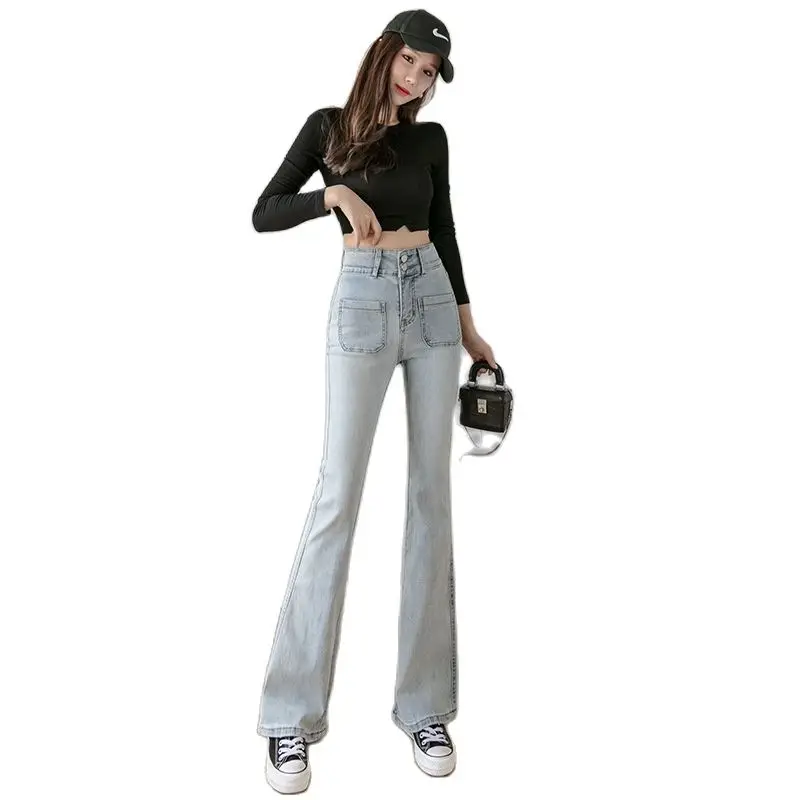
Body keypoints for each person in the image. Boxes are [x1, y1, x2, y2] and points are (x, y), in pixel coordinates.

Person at [251, 9, 497, 793]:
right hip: (362, 300)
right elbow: (263, 212)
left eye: (429, 73)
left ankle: (425, 706)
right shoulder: (328, 128)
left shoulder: (432, 140)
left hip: (432, 304)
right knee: (337, 497)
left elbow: (445, 227)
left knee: (431, 497)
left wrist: (470, 328)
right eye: (411, 61)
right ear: (386, 52)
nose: (416, 80)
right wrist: (330, 197)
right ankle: (290, 718)